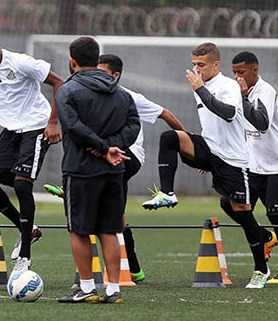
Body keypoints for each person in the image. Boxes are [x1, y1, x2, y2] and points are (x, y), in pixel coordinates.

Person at [47, 53, 186, 284]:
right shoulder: (87, 95)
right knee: (117, 218)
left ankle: (76, 193)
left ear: (116, 75)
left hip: (129, 156)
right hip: (107, 156)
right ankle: (134, 271)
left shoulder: (127, 96)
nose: (97, 75)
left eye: (102, 71)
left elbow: (166, 114)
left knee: (105, 220)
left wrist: (185, 142)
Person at [142, 42, 270, 288]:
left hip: (233, 160)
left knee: (243, 213)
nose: (196, 69)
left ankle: (261, 269)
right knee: (170, 137)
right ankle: (167, 194)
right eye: (194, 64)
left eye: (201, 65)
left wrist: (201, 89)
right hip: (211, 149)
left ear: (215, 65)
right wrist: (198, 153)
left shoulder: (228, 85)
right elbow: (210, 124)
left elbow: (229, 113)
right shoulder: (200, 86)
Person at [0, 25, 64, 273]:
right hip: (10, 130)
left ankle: (25, 257)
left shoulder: (22, 63)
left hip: (36, 127)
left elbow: (60, 83)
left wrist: (53, 122)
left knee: (21, 185)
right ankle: (28, 227)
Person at [55, 37, 140, 304]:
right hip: (113, 171)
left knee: (79, 230)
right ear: (96, 59)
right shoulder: (121, 92)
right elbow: (134, 125)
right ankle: (114, 289)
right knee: (109, 229)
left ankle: (88, 288)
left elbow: (73, 126)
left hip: (80, 170)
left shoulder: (67, 91)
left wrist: (103, 147)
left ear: (72, 61)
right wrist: (113, 148)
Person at [227, 51, 278, 284]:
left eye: (241, 72)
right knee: (230, 203)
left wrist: (242, 98)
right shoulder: (236, 92)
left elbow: (261, 124)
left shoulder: (265, 91)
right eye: (234, 73)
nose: (237, 77)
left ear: (254, 70)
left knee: (276, 213)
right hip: (251, 165)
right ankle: (264, 236)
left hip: (276, 164)